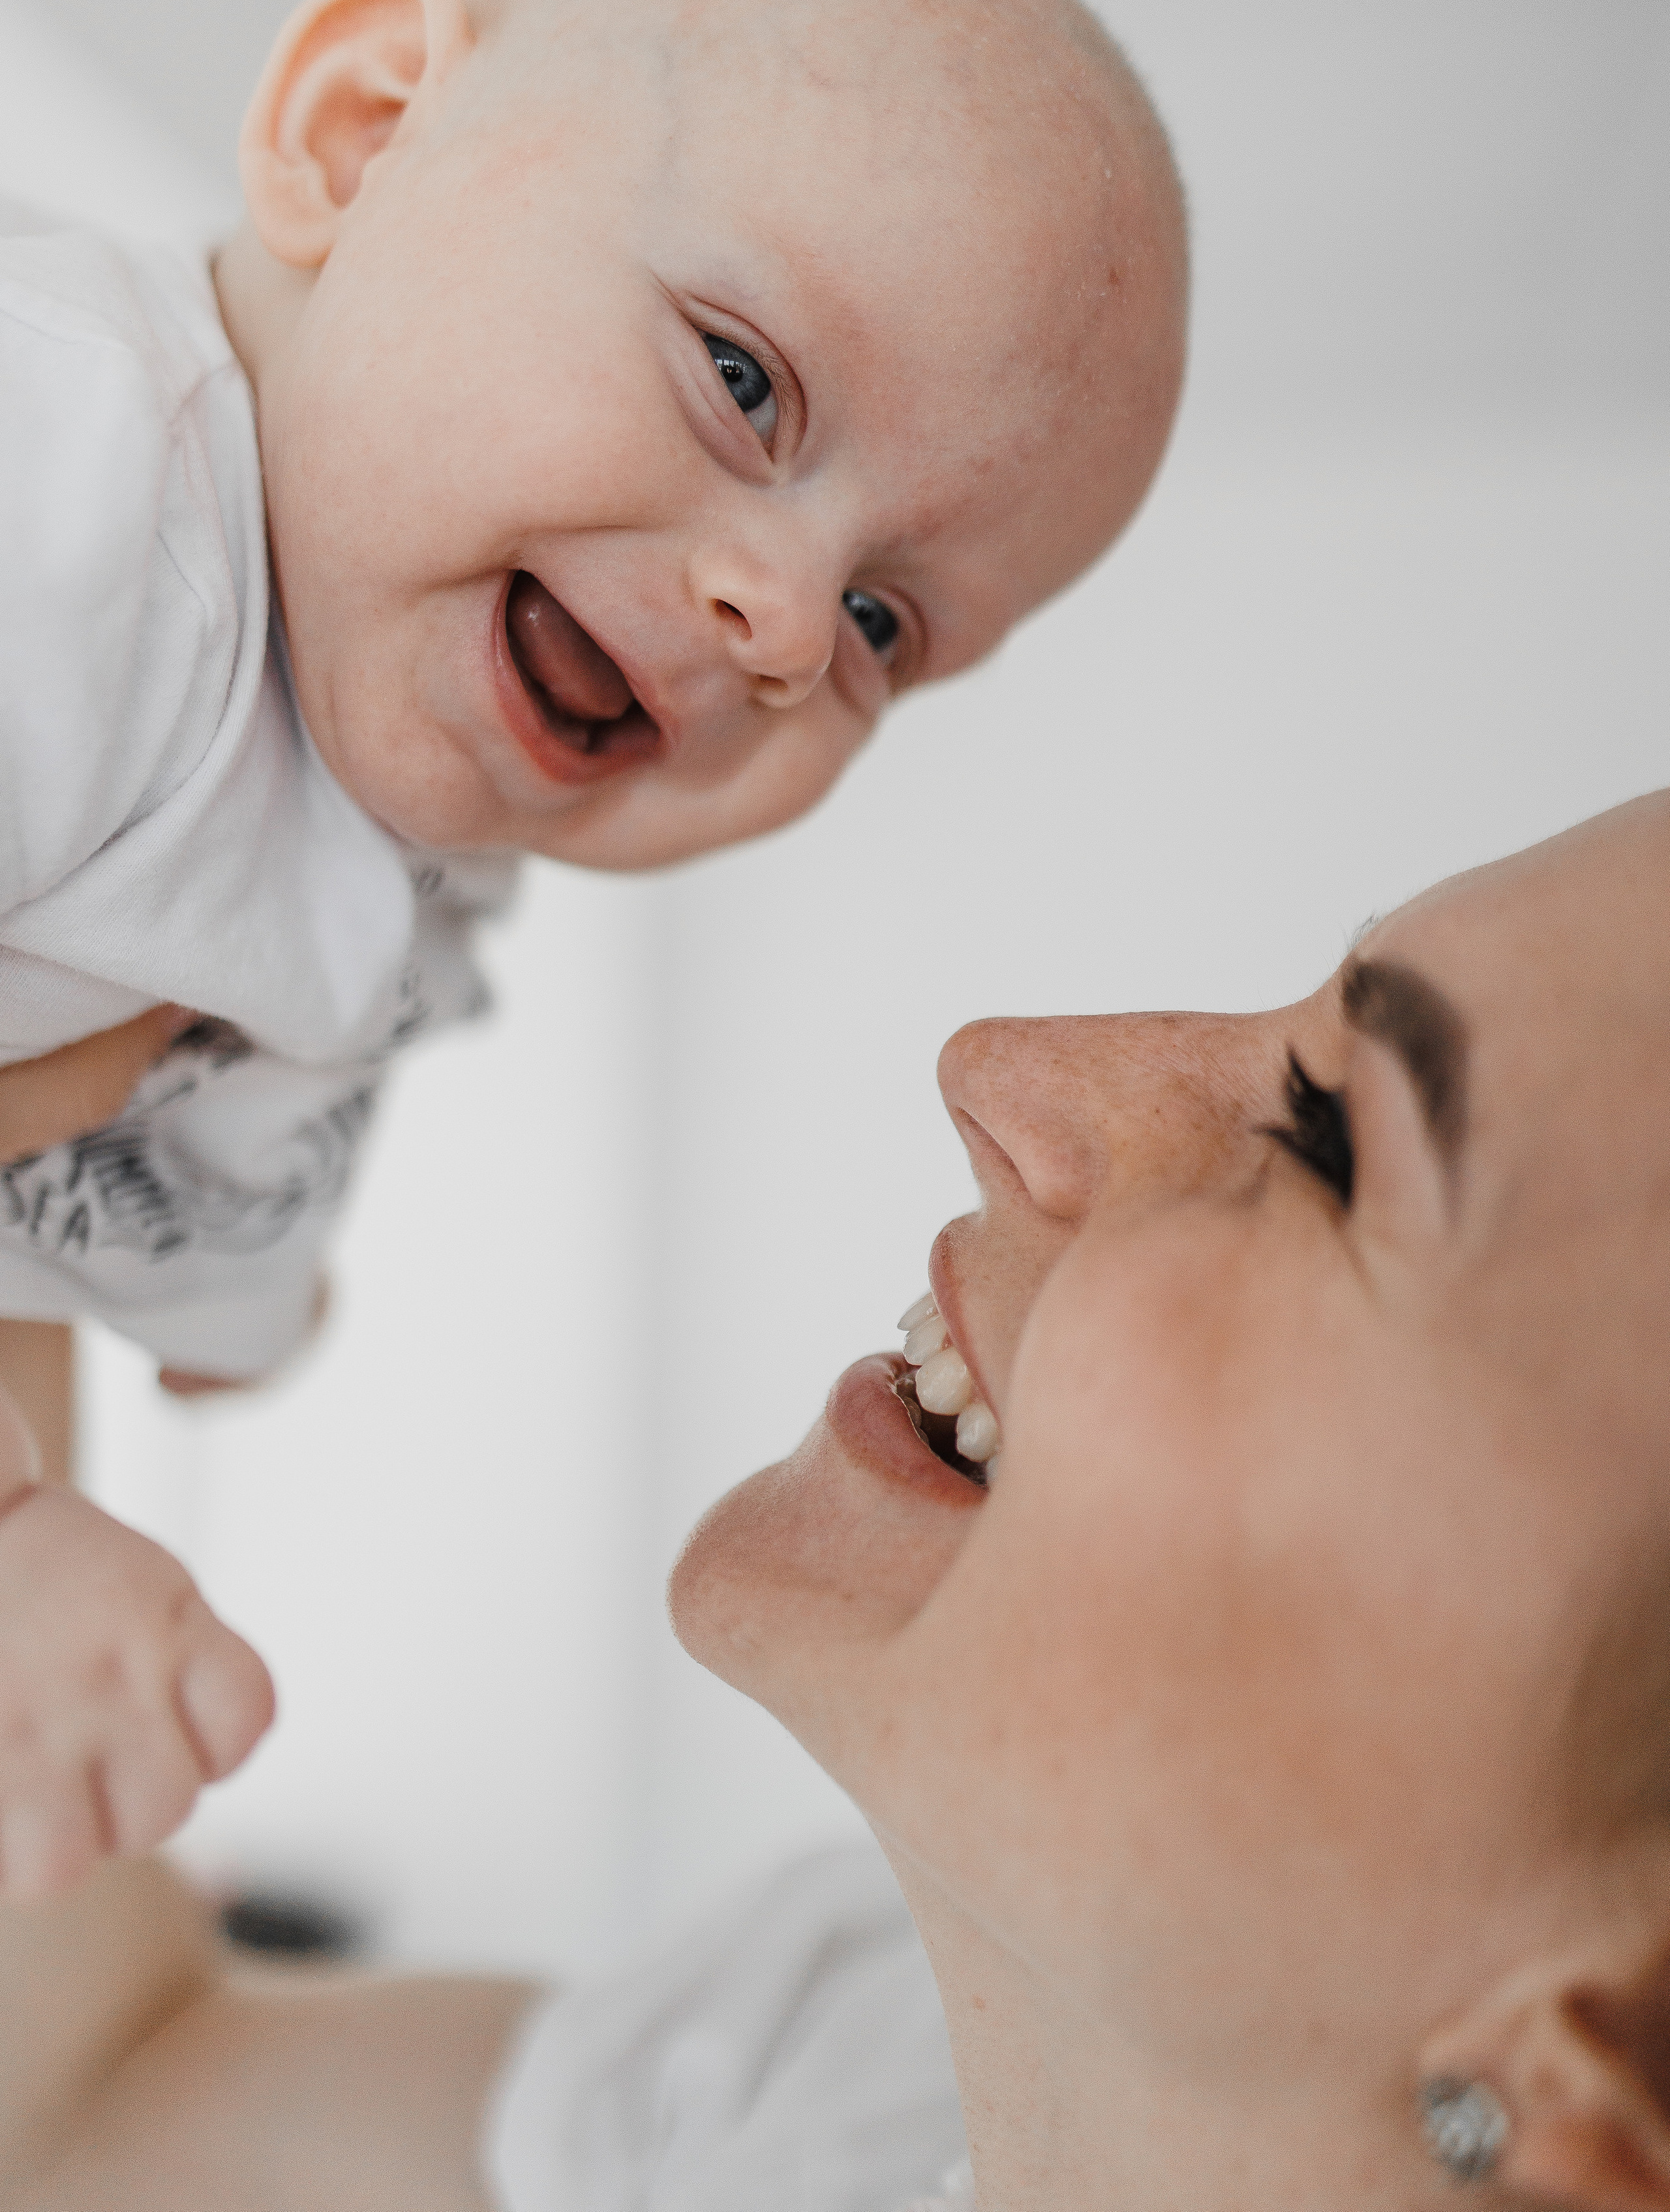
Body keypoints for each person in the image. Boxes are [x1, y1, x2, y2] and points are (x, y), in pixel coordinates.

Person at [0, 0, 1189, 1898]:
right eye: (744, 383)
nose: (791, 627)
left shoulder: (406, 833)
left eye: (894, 628)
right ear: (363, 139)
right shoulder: (77, 484)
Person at [3, 787, 1667, 2212]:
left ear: (1587, 2081)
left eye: (1327, 1148)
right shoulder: (843, 2059)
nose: (1000, 1069)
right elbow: (100, 2101)